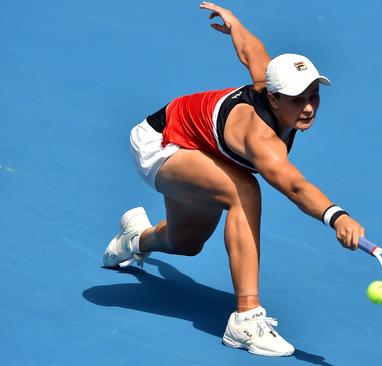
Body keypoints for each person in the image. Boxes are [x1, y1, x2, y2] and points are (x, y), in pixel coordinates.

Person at [102, 1, 365, 358]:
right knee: (244, 191)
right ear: (272, 98)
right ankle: (245, 319)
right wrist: (338, 216)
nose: (308, 107)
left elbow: (252, 51)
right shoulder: (261, 140)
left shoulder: (269, 84)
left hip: (200, 148)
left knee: (186, 242)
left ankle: (135, 238)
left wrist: (235, 25)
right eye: (298, 99)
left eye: (314, 96)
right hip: (158, 144)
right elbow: (295, 186)